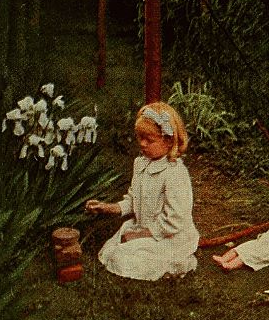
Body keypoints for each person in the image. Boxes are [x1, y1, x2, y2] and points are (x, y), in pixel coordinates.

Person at [85, 102, 199, 281]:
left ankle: (178, 264)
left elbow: (175, 220)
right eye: (139, 137)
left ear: (169, 141)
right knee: (112, 250)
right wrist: (109, 207)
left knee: (124, 258)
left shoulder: (174, 173)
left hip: (168, 236)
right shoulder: (140, 163)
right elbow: (133, 199)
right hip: (144, 226)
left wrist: (140, 234)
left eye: (149, 140)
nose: (143, 144)